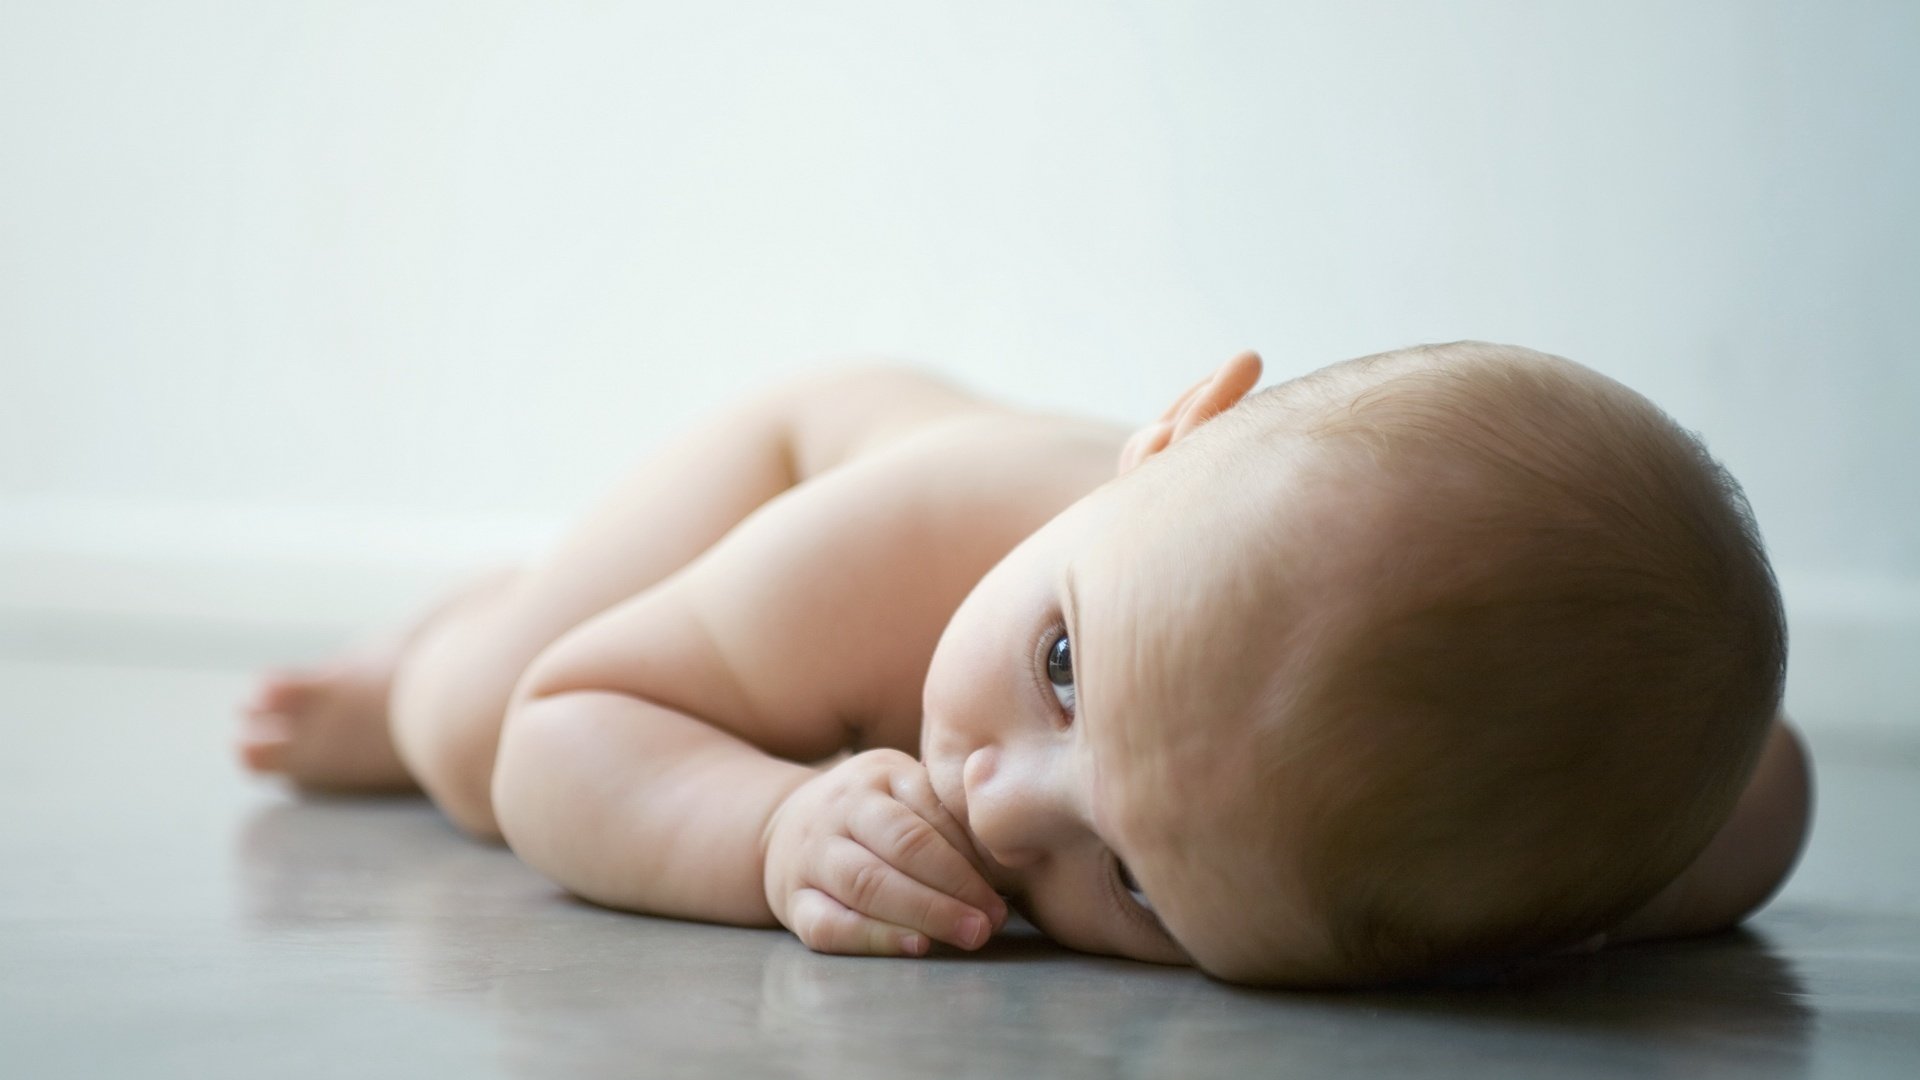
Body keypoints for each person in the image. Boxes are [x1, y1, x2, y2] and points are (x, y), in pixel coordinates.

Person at [235, 341, 1812, 988]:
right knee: (470, 728)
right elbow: (564, 730)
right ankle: (415, 652)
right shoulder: (911, 543)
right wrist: (769, 827)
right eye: (1065, 669)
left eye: (1130, 879)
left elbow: (1755, 779)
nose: (995, 800)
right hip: (792, 476)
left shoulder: (1559, 804)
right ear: (1173, 438)